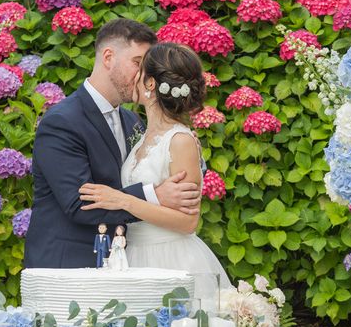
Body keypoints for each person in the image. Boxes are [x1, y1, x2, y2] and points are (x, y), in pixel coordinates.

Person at [24, 19, 202, 268]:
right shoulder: (62, 121)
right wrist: (154, 195)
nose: (144, 75)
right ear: (108, 57)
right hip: (69, 265)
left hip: (127, 262)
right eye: (137, 63)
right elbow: (79, 203)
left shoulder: (133, 123)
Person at [79, 42, 231, 287]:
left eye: (139, 69)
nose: (133, 77)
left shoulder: (180, 140)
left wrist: (123, 200)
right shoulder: (141, 137)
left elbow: (188, 222)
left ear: (150, 83)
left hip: (170, 258)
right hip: (133, 255)